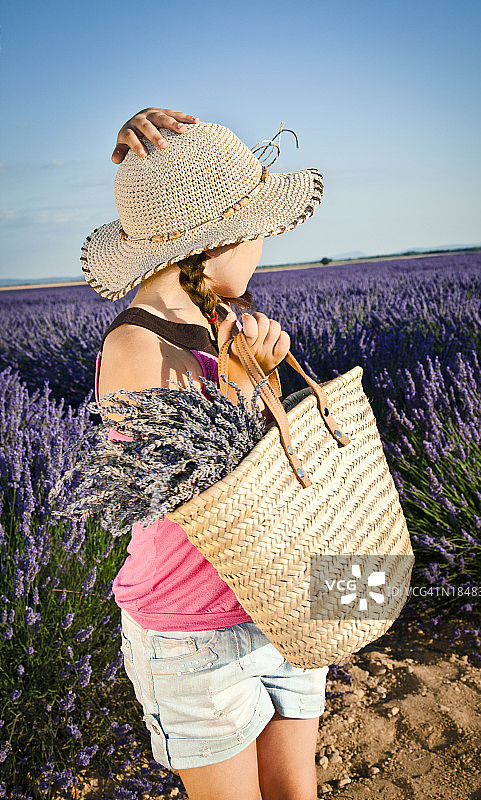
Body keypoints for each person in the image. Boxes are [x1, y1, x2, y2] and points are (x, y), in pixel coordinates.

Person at [82, 106, 327, 800]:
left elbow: (277, 465)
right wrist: (241, 375)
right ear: (210, 239)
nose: (261, 250)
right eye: (255, 233)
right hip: (194, 632)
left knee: (294, 789)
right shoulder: (137, 345)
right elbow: (203, 498)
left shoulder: (218, 317)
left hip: (280, 601)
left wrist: (262, 374)